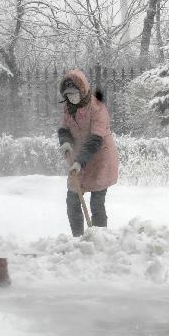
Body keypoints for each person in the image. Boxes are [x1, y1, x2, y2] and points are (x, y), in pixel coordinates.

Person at [57, 69, 119, 236]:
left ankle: (100, 239)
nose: (71, 97)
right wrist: (65, 142)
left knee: (97, 203)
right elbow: (64, 129)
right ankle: (77, 239)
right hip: (78, 158)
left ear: (82, 90)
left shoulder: (97, 107)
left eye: (74, 93)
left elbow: (95, 139)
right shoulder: (68, 108)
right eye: (67, 94)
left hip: (100, 158)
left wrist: (79, 162)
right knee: (72, 200)